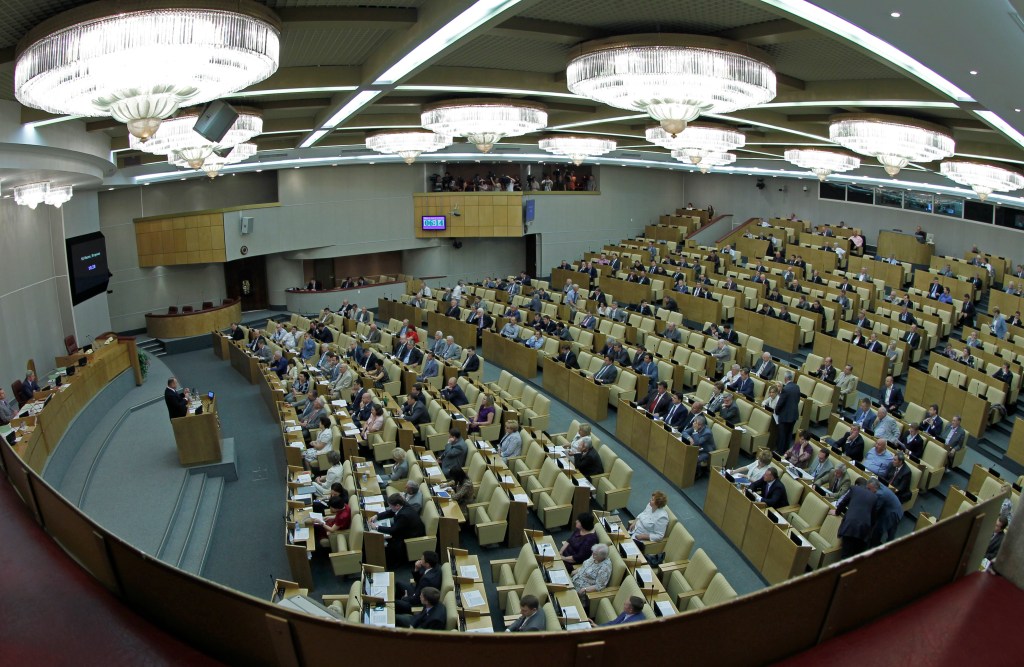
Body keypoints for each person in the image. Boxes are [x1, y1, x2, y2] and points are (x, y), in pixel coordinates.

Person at [370, 493, 426, 568]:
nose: (389, 507)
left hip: (412, 535)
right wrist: (377, 516)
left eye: (390, 506)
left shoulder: (403, 515)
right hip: (408, 529)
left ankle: (395, 564)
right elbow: (391, 512)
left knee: (390, 544)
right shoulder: (403, 505)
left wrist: (377, 527)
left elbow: (393, 530)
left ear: (397, 506)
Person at [833, 479, 875, 558]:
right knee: (856, 555)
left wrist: (836, 512)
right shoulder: (874, 497)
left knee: (845, 554)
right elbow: (873, 517)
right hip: (864, 530)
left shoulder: (854, 489)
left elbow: (843, 503)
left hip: (850, 525)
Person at [395, 551, 443, 615]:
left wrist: (405, 598)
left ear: (427, 564)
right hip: (418, 590)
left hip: (420, 599)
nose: (420, 560)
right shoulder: (434, 566)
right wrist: (416, 569)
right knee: (398, 584)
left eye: (422, 559)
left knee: (395, 603)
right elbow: (419, 581)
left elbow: (416, 599)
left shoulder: (427, 579)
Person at [775, 372, 800, 454]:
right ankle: (786, 451)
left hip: (785, 416)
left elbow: (780, 403)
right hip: (794, 415)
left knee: (782, 435)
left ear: (785, 379)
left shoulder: (785, 389)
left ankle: (780, 452)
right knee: (789, 434)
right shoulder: (797, 387)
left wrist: (777, 412)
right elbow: (798, 400)